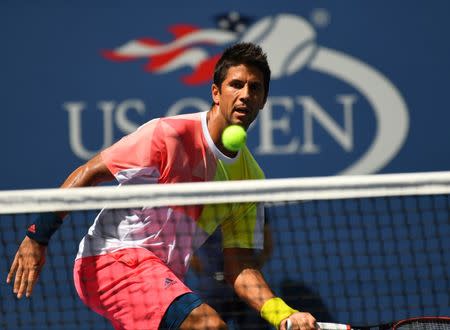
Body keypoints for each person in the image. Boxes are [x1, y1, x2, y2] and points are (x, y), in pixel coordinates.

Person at [7, 42, 316, 330]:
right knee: (208, 325)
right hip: (108, 260)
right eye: (236, 84)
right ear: (216, 93)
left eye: (255, 88)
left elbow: (240, 267)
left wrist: (283, 314)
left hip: (164, 277)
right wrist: (38, 237)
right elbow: (89, 173)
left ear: (263, 100)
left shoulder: (250, 178)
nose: (245, 94)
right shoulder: (169, 135)